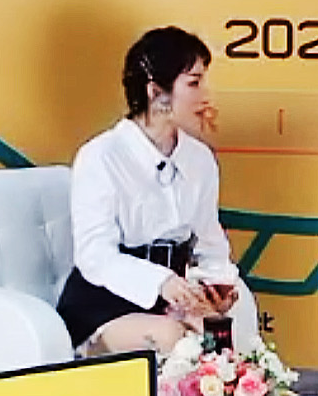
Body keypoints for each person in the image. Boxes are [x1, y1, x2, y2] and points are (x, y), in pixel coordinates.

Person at [55, 27, 260, 357]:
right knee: (175, 340)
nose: (206, 96)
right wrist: (161, 283)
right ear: (155, 92)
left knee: (228, 331)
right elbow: (95, 255)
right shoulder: (101, 156)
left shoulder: (199, 159)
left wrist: (216, 287)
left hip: (173, 298)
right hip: (104, 303)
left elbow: (209, 242)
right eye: (194, 83)